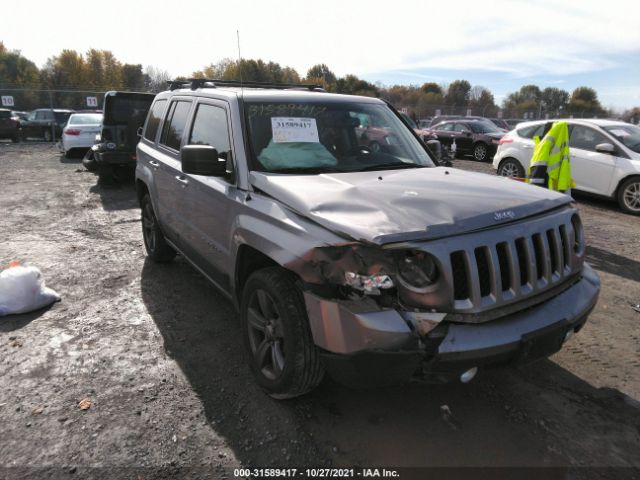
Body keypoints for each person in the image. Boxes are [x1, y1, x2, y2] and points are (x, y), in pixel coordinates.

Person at [527, 121, 574, 193]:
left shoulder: (557, 146)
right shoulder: (545, 147)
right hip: (547, 189)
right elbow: (537, 174)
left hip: (553, 188)